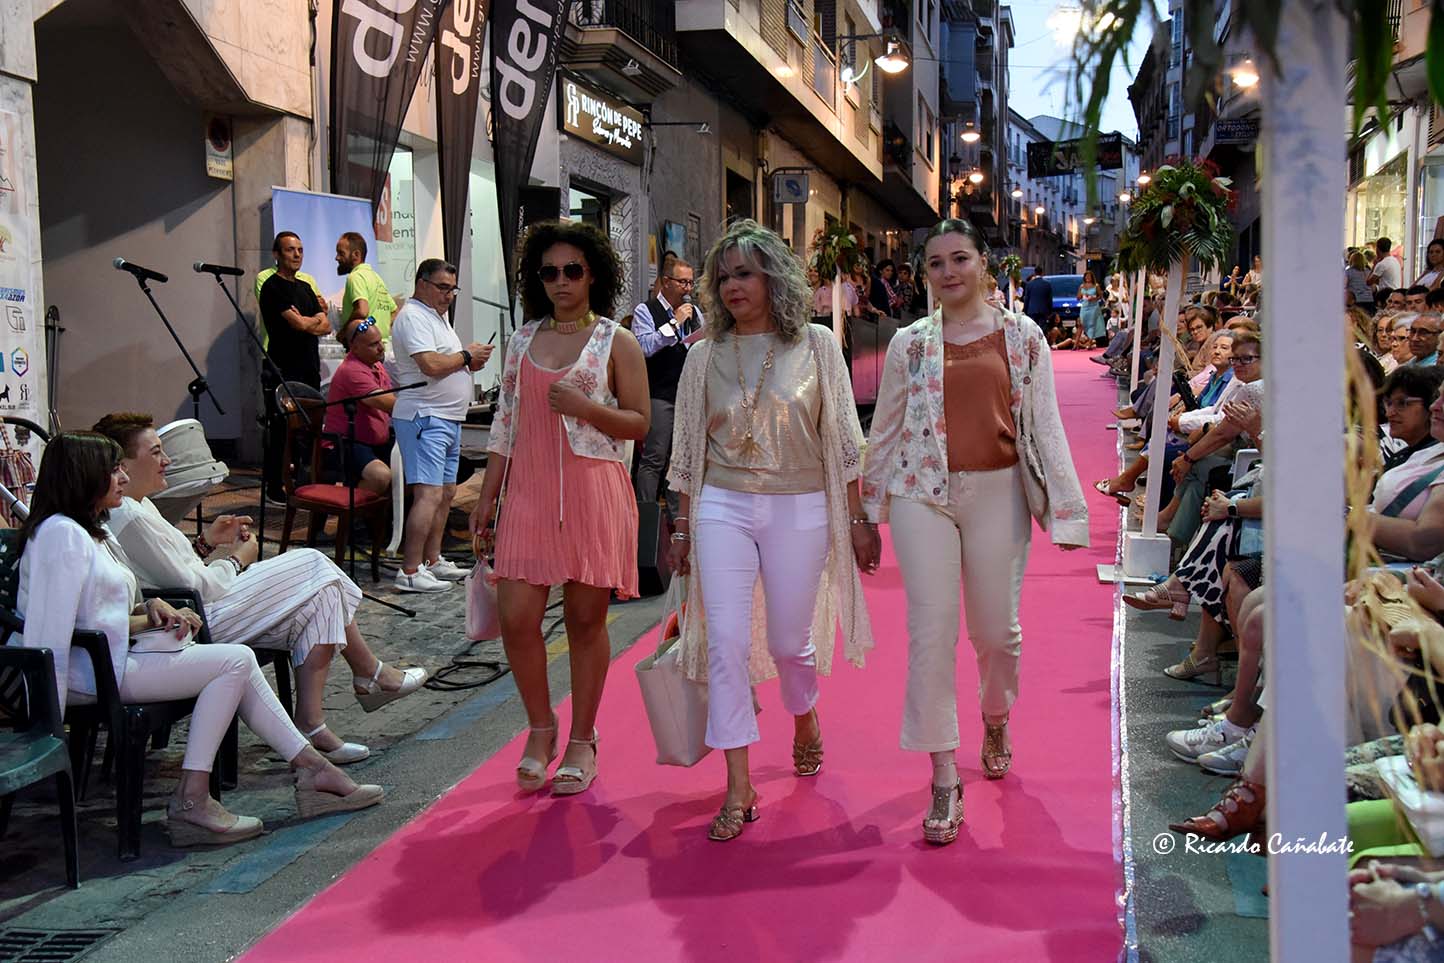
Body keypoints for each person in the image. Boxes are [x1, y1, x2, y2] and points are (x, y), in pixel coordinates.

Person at [15, 433, 383, 847]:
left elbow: (97, 605)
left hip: (109, 659)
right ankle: (204, 798)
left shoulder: (90, 529)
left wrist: (151, 607)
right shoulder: (61, 534)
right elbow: (54, 631)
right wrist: (48, 722)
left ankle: (309, 770)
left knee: (236, 662)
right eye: (113, 470)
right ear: (83, 475)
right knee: (233, 662)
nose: (123, 478)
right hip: (88, 673)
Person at [862, 218, 1090, 846]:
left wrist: (1068, 510)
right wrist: (867, 512)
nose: (948, 272)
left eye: (959, 258)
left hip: (999, 493)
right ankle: (943, 774)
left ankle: (995, 713)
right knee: (930, 634)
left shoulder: (1023, 336)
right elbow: (885, 428)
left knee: (995, 632)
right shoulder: (909, 343)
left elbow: (1045, 423)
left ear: (984, 263)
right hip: (921, 494)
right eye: (935, 263)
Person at [666, 219, 877, 841]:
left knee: (789, 642)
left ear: (774, 279)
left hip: (800, 505)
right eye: (723, 277)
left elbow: (844, 441)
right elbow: (687, 451)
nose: (733, 286)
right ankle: (738, 783)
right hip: (722, 506)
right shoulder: (703, 355)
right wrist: (681, 527)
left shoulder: (817, 345)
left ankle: (803, 711)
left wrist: (858, 519)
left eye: (745, 274)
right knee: (725, 643)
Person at [94, 412, 428, 764]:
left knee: (323, 597)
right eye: (156, 452)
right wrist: (237, 559)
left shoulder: (139, 505)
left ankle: (312, 724)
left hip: (205, 602)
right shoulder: (128, 514)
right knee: (314, 564)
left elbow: (171, 570)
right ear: (124, 464)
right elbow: (192, 587)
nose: (167, 460)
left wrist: (207, 541)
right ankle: (370, 673)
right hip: (197, 619)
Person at [470, 220, 649, 799]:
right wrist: (487, 496)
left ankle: (582, 739)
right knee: (517, 618)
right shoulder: (521, 340)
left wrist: (584, 406)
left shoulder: (616, 341)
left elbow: (639, 422)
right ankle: (541, 727)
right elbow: (505, 424)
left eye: (573, 270)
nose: (561, 281)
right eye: (549, 272)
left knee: (584, 622)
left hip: (593, 493)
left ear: (594, 274)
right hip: (529, 492)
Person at [389, 259, 493, 592]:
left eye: (452, 289)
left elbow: (446, 362)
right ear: (422, 284)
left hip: (447, 417)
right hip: (425, 415)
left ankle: (432, 560)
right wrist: (466, 356)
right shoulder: (413, 316)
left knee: (446, 493)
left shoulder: (437, 317)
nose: (448, 295)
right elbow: (431, 364)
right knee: (429, 494)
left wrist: (468, 361)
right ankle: (409, 569)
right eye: (442, 288)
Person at [258, 231, 330, 504]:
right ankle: (274, 487)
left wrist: (309, 322)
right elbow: (299, 324)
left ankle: (303, 485)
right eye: (290, 250)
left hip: (309, 367)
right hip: (283, 367)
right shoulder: (272, 287)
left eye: (300, 249)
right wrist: (311, 322)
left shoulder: (305, 287)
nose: (297, 254)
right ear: (276, 254)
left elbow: (327, 325)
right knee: (281, 430)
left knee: (308, 429)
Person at [632, 255, 705, 514]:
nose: (688, 288)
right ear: (666, 282)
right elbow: (644, 347)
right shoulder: (645, 310)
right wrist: (674, 322)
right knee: (655, 457)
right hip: (660, 393)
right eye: (683, 282)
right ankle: (646, 515)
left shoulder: (694, 312)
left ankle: (678, 518)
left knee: (680, 460)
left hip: (687, 394)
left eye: (691, 283)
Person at [324, 318, 395, 495]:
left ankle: (384, 511)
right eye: (373, 344)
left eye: (380, 341)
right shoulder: (352, 370)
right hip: (346, 444)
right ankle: (350, 510)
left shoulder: (376, 365)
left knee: (415, 471)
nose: (381, 348)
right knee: (380, 476)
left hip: (375, 443)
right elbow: (387, 403)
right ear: (354, 348)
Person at [336, 231, 400, 344]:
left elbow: (362, 311)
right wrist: (378, 329)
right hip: (381, 347)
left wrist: (344, 332)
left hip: (364, 348)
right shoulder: (377, 278)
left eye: (341, 253)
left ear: (356, 254)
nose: (337, 258)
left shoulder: (355, 277)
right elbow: (394, 312)